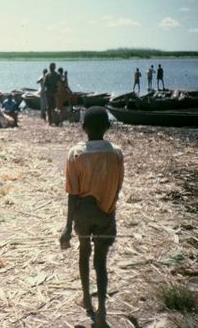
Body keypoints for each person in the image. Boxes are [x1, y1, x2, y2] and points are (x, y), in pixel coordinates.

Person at [59, 106, 124, 328]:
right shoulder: (116, 153)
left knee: (84, 252)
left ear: (83, 127)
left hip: (83, 212)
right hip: (106, 211)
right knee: (101, 262)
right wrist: (108, 207)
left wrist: (67, 227)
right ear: (107, 126)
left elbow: (72, 192)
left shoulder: (75, 153)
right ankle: (102, 312)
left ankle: (86, 297)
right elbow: (118, 185)